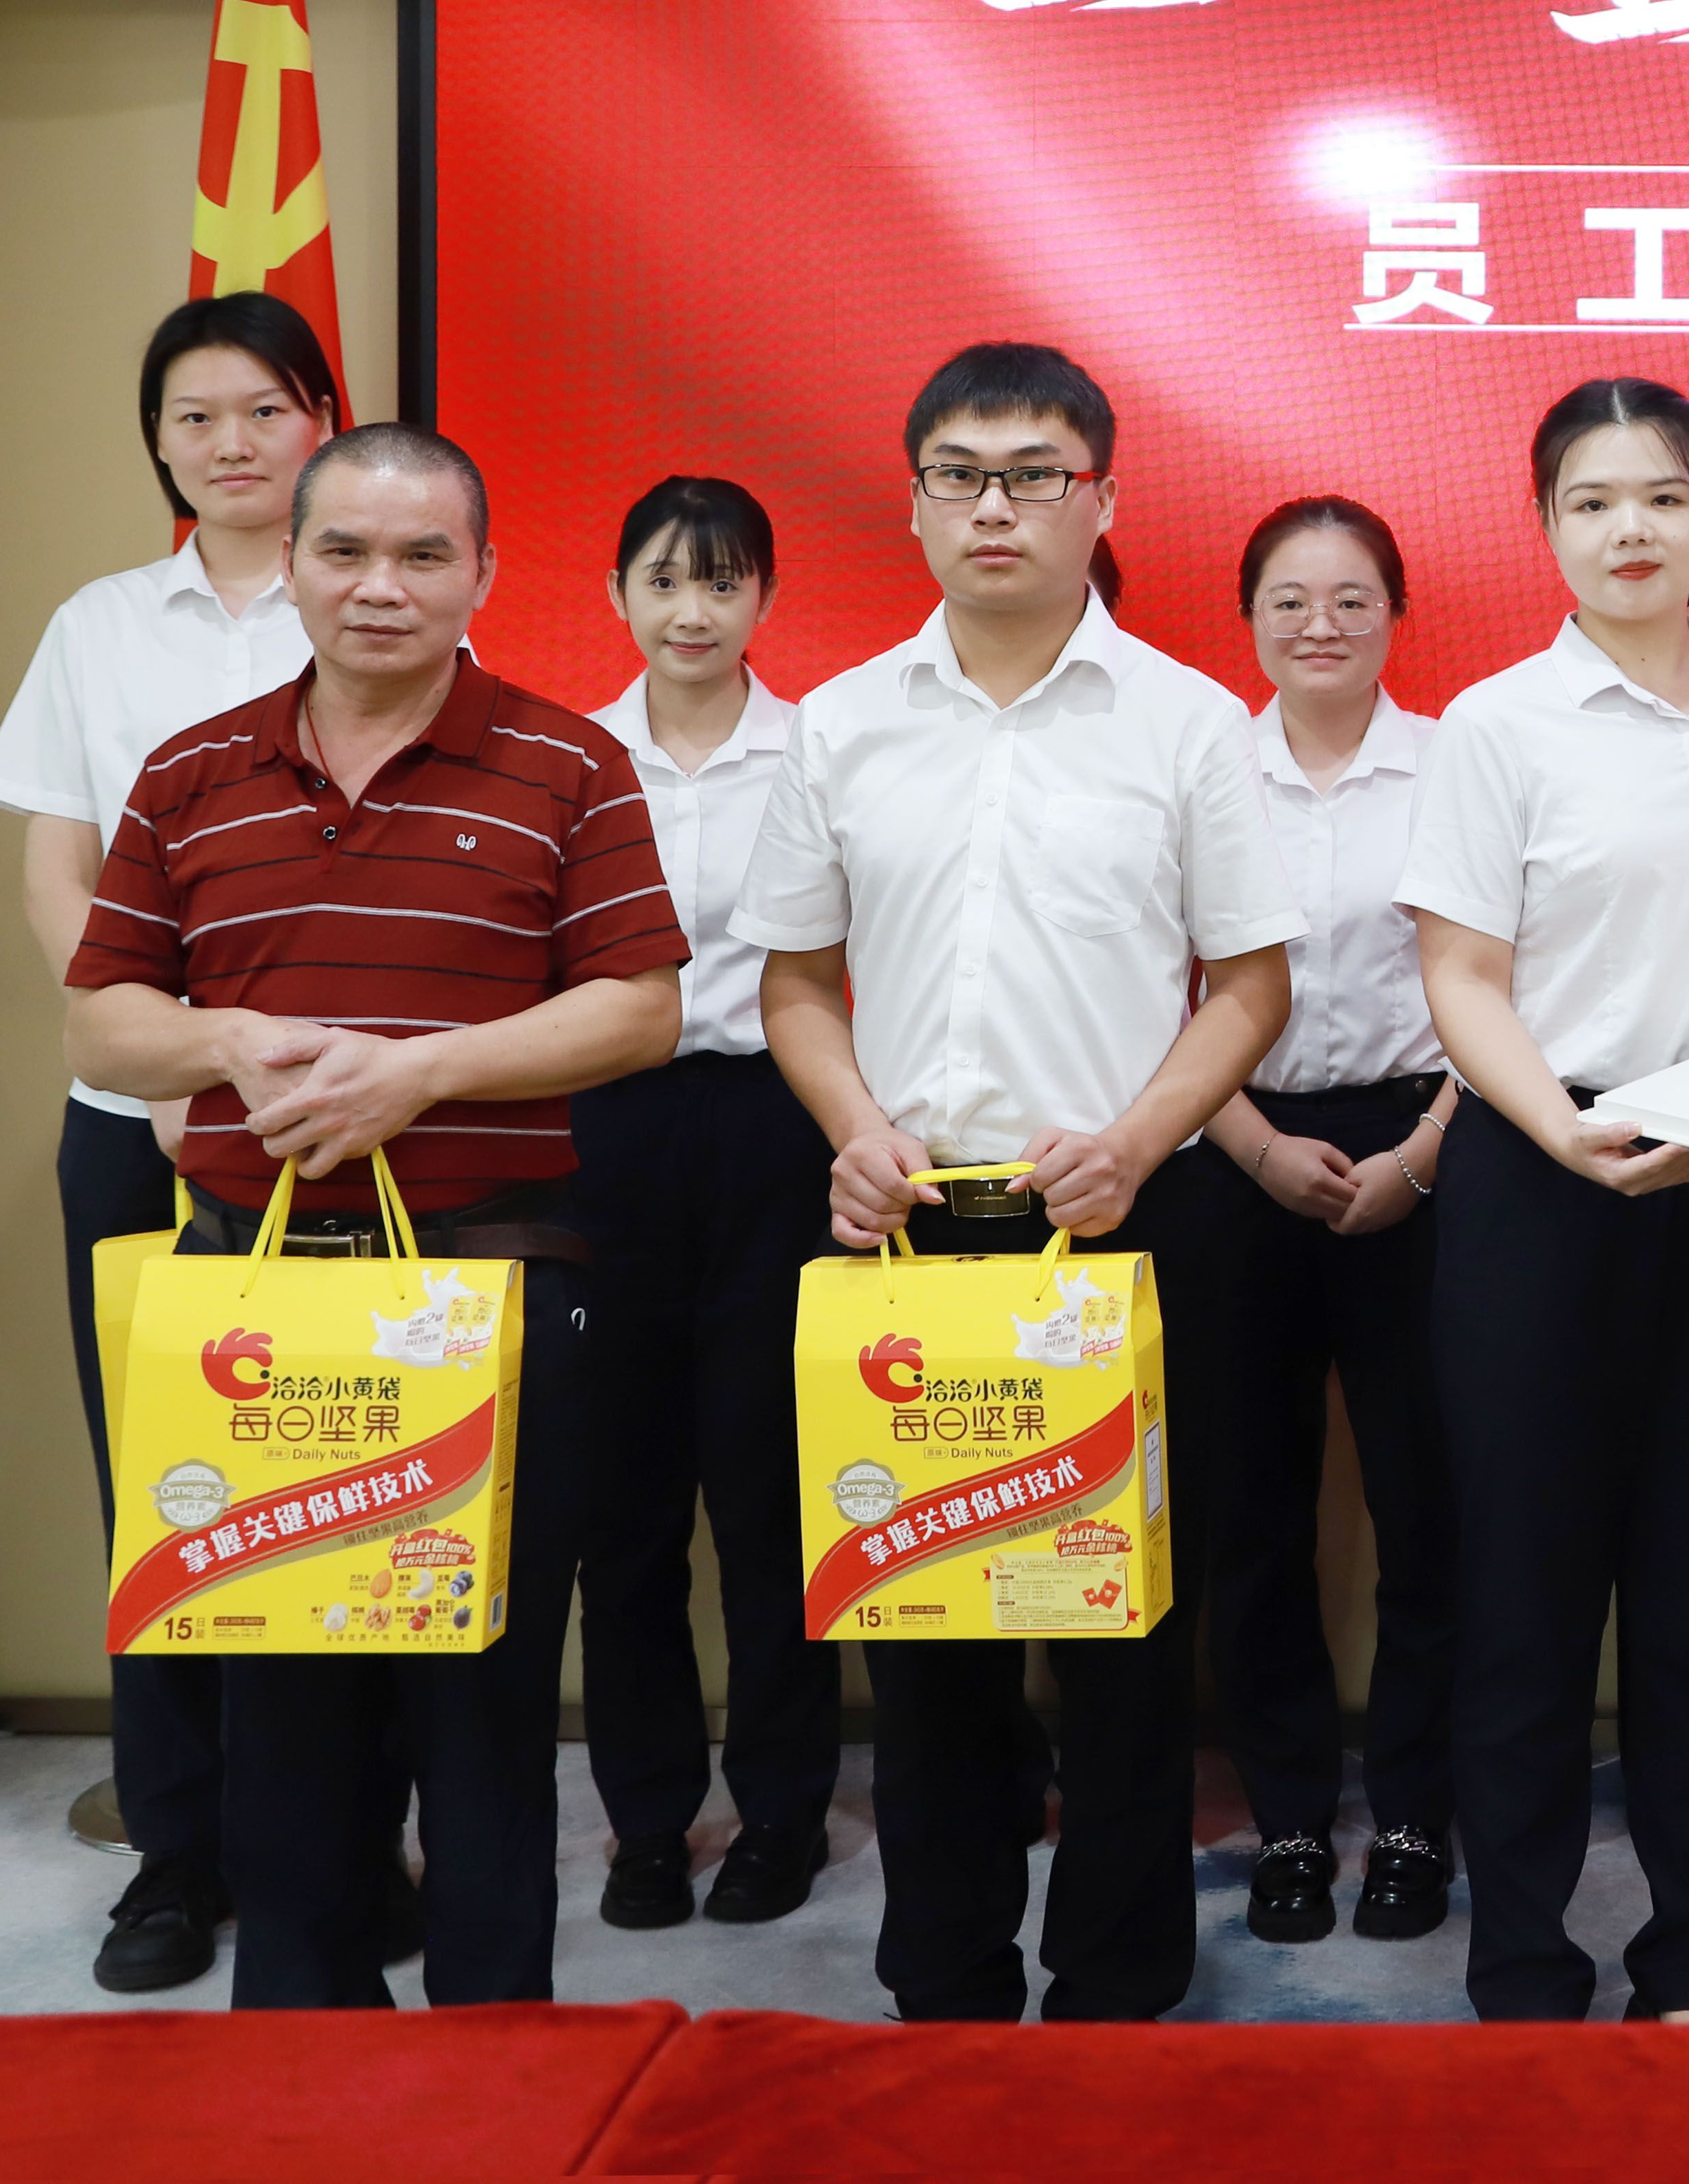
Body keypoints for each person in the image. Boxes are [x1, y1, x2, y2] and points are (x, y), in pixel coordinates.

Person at [63, 422, 690, 2008]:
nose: (380, 586)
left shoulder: (568, 763)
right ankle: (303, 2059)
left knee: (482, 1701)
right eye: (343, 550)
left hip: (488, 1297)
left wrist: (419, 1075)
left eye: (423, 555)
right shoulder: (190, 771)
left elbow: (639, 1010)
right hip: (255, 1309)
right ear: (290, 564)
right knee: (280, 1708)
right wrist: (226, 1041)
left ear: (483, 573)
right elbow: (101, 1024)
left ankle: (491, 2064)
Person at [737, 342, 1304, 2023]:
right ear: (916, 503)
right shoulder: (841, 724)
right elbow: (796, 982)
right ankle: (948, 1979)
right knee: (924, 1637)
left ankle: (1117, 1983)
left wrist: (1136, 1136)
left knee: (1122, 1634)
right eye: (962, 475)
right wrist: (854, 1127)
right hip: (911, 1232)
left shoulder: (1189, 724)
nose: (997, 505)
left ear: (1100, 499)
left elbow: (1252, 984)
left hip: (1119, 1223)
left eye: (1037, 474)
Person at [1396, 379, 1689, 2024]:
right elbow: (1463, 971)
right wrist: (1564, 1130)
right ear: (1548, 526)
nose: (1629, 529)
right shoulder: (1499, 724)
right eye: (1591, 501)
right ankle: (1522, 1965)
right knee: (1527, 1600)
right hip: (1542, 1176)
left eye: (1660, 496)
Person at [0, 294, 338, 1992]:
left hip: (346, 1126)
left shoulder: (379, 595)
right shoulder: (101, 625)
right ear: (160, 446)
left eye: (263, 409)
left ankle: (338, 1845)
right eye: (194, 417)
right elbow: (59, 872)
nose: (230, 443)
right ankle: (175, 1857)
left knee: (337, 1482)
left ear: (321, 420)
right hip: (139, 1124)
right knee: (170, 1494)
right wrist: (168, 1052)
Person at [567, 476, 840, 1934]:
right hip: (604, 1132)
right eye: (665, 580)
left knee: (769, 1496)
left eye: (723, 582)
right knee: (623, 1508)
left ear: (765, 599)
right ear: (618, 593)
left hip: (773, 1127)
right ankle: (647, 1821)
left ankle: (782, 1812)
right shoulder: (566, 758)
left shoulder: (817, 752)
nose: (693, 611)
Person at [1199, 496, 1464, 1950]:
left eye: (1353, 599)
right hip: (1238, 1145)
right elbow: (1155, 982)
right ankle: (1292, 1818)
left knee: (1433, 1511)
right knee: (1254, 1513)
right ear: (1250, 619)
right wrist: (1249, 1144)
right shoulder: (1203, 768)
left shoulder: (1456, 768)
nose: (1322, 625)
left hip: (1425, 1147)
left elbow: (1504, 979)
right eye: (1290, 601)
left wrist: (1418, 1158)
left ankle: (1416, 1816)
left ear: (1394, 615)